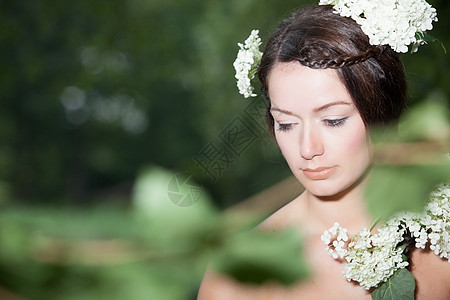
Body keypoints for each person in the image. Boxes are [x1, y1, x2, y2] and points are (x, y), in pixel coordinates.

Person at [198, 3, 450, 299]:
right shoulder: (239, 274)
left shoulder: (440, 234)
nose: (307, 149)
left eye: (333, 120)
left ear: (383, 110)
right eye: (286, 123)